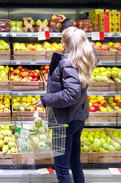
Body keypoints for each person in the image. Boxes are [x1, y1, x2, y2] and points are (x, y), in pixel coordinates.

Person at [34, 23, 98, 183]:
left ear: (66, 44)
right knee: (75, 163)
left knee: (62, 168)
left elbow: (71, 94)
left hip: (64, 120)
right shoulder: (84, 57)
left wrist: (45, 99)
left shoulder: (67, 61)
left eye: (63, 41)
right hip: (77, 117)